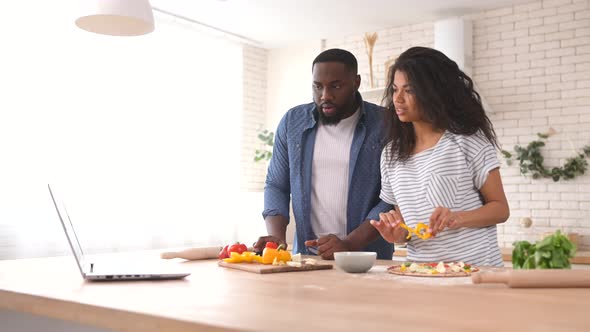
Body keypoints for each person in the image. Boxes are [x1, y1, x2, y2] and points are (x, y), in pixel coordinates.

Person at [370, 46, 510, 267]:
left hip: (475, 272)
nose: (398, 99)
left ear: (432, 92)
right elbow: (408, 224)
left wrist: (457, 217)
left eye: (410, 91)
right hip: (421, 273)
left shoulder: (467, 141)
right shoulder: (390, 154)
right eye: (395, 89)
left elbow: (500, 208)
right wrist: (397, 235)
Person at [254, 48, 393, 260]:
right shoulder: (293, 122)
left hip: (367, 259)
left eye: (336, 86)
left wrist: (348, 243)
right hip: (307, 258)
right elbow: (276, 184)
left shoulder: (385, 124)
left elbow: (391, 197)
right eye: (318, 87)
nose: (325, 96)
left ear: (356, 82)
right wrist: (275, 237)